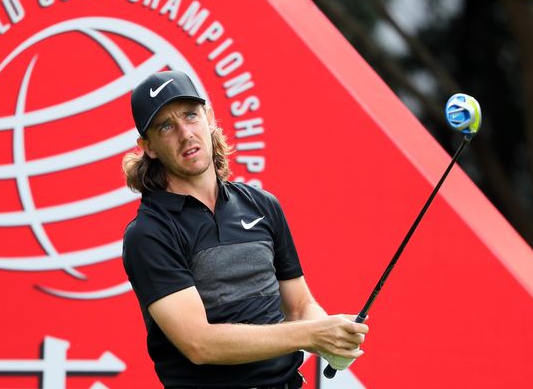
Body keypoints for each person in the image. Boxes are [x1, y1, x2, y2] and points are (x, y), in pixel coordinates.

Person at [121, 70, 369, 388]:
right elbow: (199, 344)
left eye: (190, 116)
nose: (185, 134)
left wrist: (333, 336)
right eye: (166, 126)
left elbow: (299, 305)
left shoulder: (262, 205)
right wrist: (313, 334)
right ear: (149, 146)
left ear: (209, 118)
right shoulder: (149, 233)